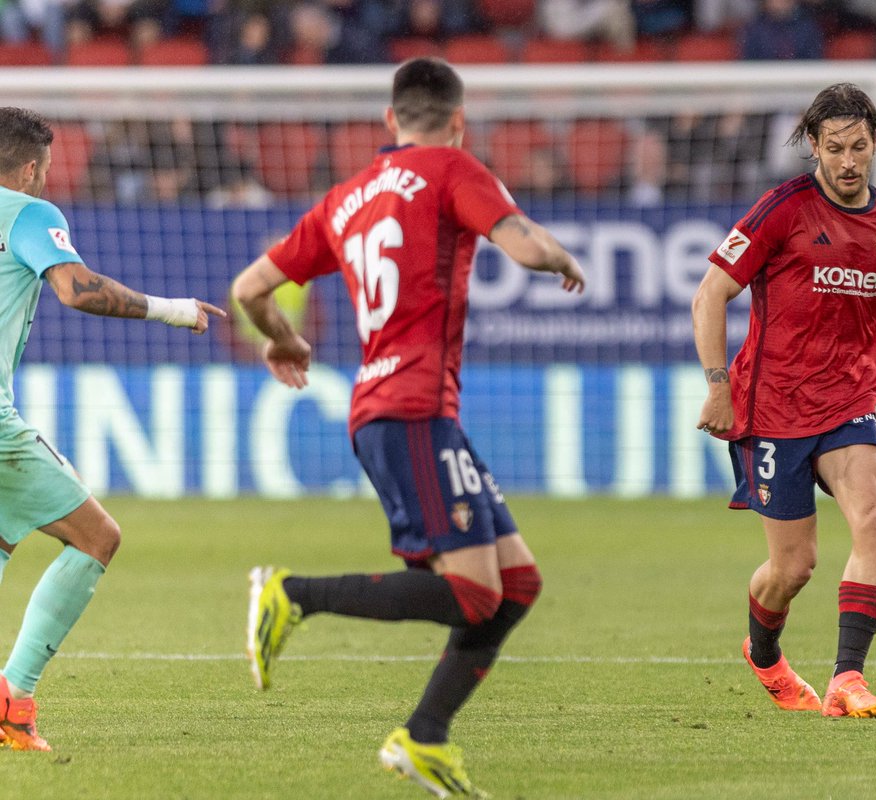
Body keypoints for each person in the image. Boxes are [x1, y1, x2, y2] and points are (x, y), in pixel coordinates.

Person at [233, 58, 585, 798]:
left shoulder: (346, 196)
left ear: (389, 121)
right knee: (473, 595)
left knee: (516, 582)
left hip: (399, 413)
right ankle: (293, 593)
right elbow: (522, 244)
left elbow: (250, 288)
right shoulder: (453, 168)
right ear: (458, 120)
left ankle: (424, 740)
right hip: (411, 409)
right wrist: (560, 257)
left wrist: (282, 339)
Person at [692, 84, 876, 719]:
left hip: (850, 405)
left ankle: (848, 680)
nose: (847, 161)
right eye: (834, 148)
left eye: (859, 147)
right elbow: (709, 296)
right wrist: (718, 387)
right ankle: (763, 652)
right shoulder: (781, 210)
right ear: (813, 146)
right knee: (793, 568)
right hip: (774, 408)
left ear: (875, 145)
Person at [0, 106, 223, 751]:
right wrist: (174, 310)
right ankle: (14, 698)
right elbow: (78, 290)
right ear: (29, 168)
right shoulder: (31, 214)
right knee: (97, 537)